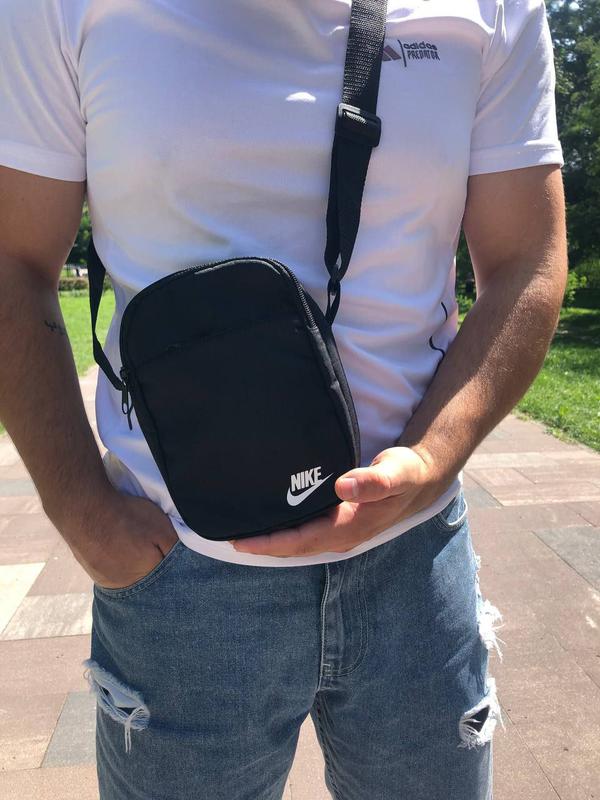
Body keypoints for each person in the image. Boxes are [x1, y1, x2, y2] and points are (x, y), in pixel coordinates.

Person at [0, 1, 567, 798]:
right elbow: (15, 260)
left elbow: (527, 260)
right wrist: (86, 516)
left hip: (414, 559)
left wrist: (433, 460)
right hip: (180, 566)